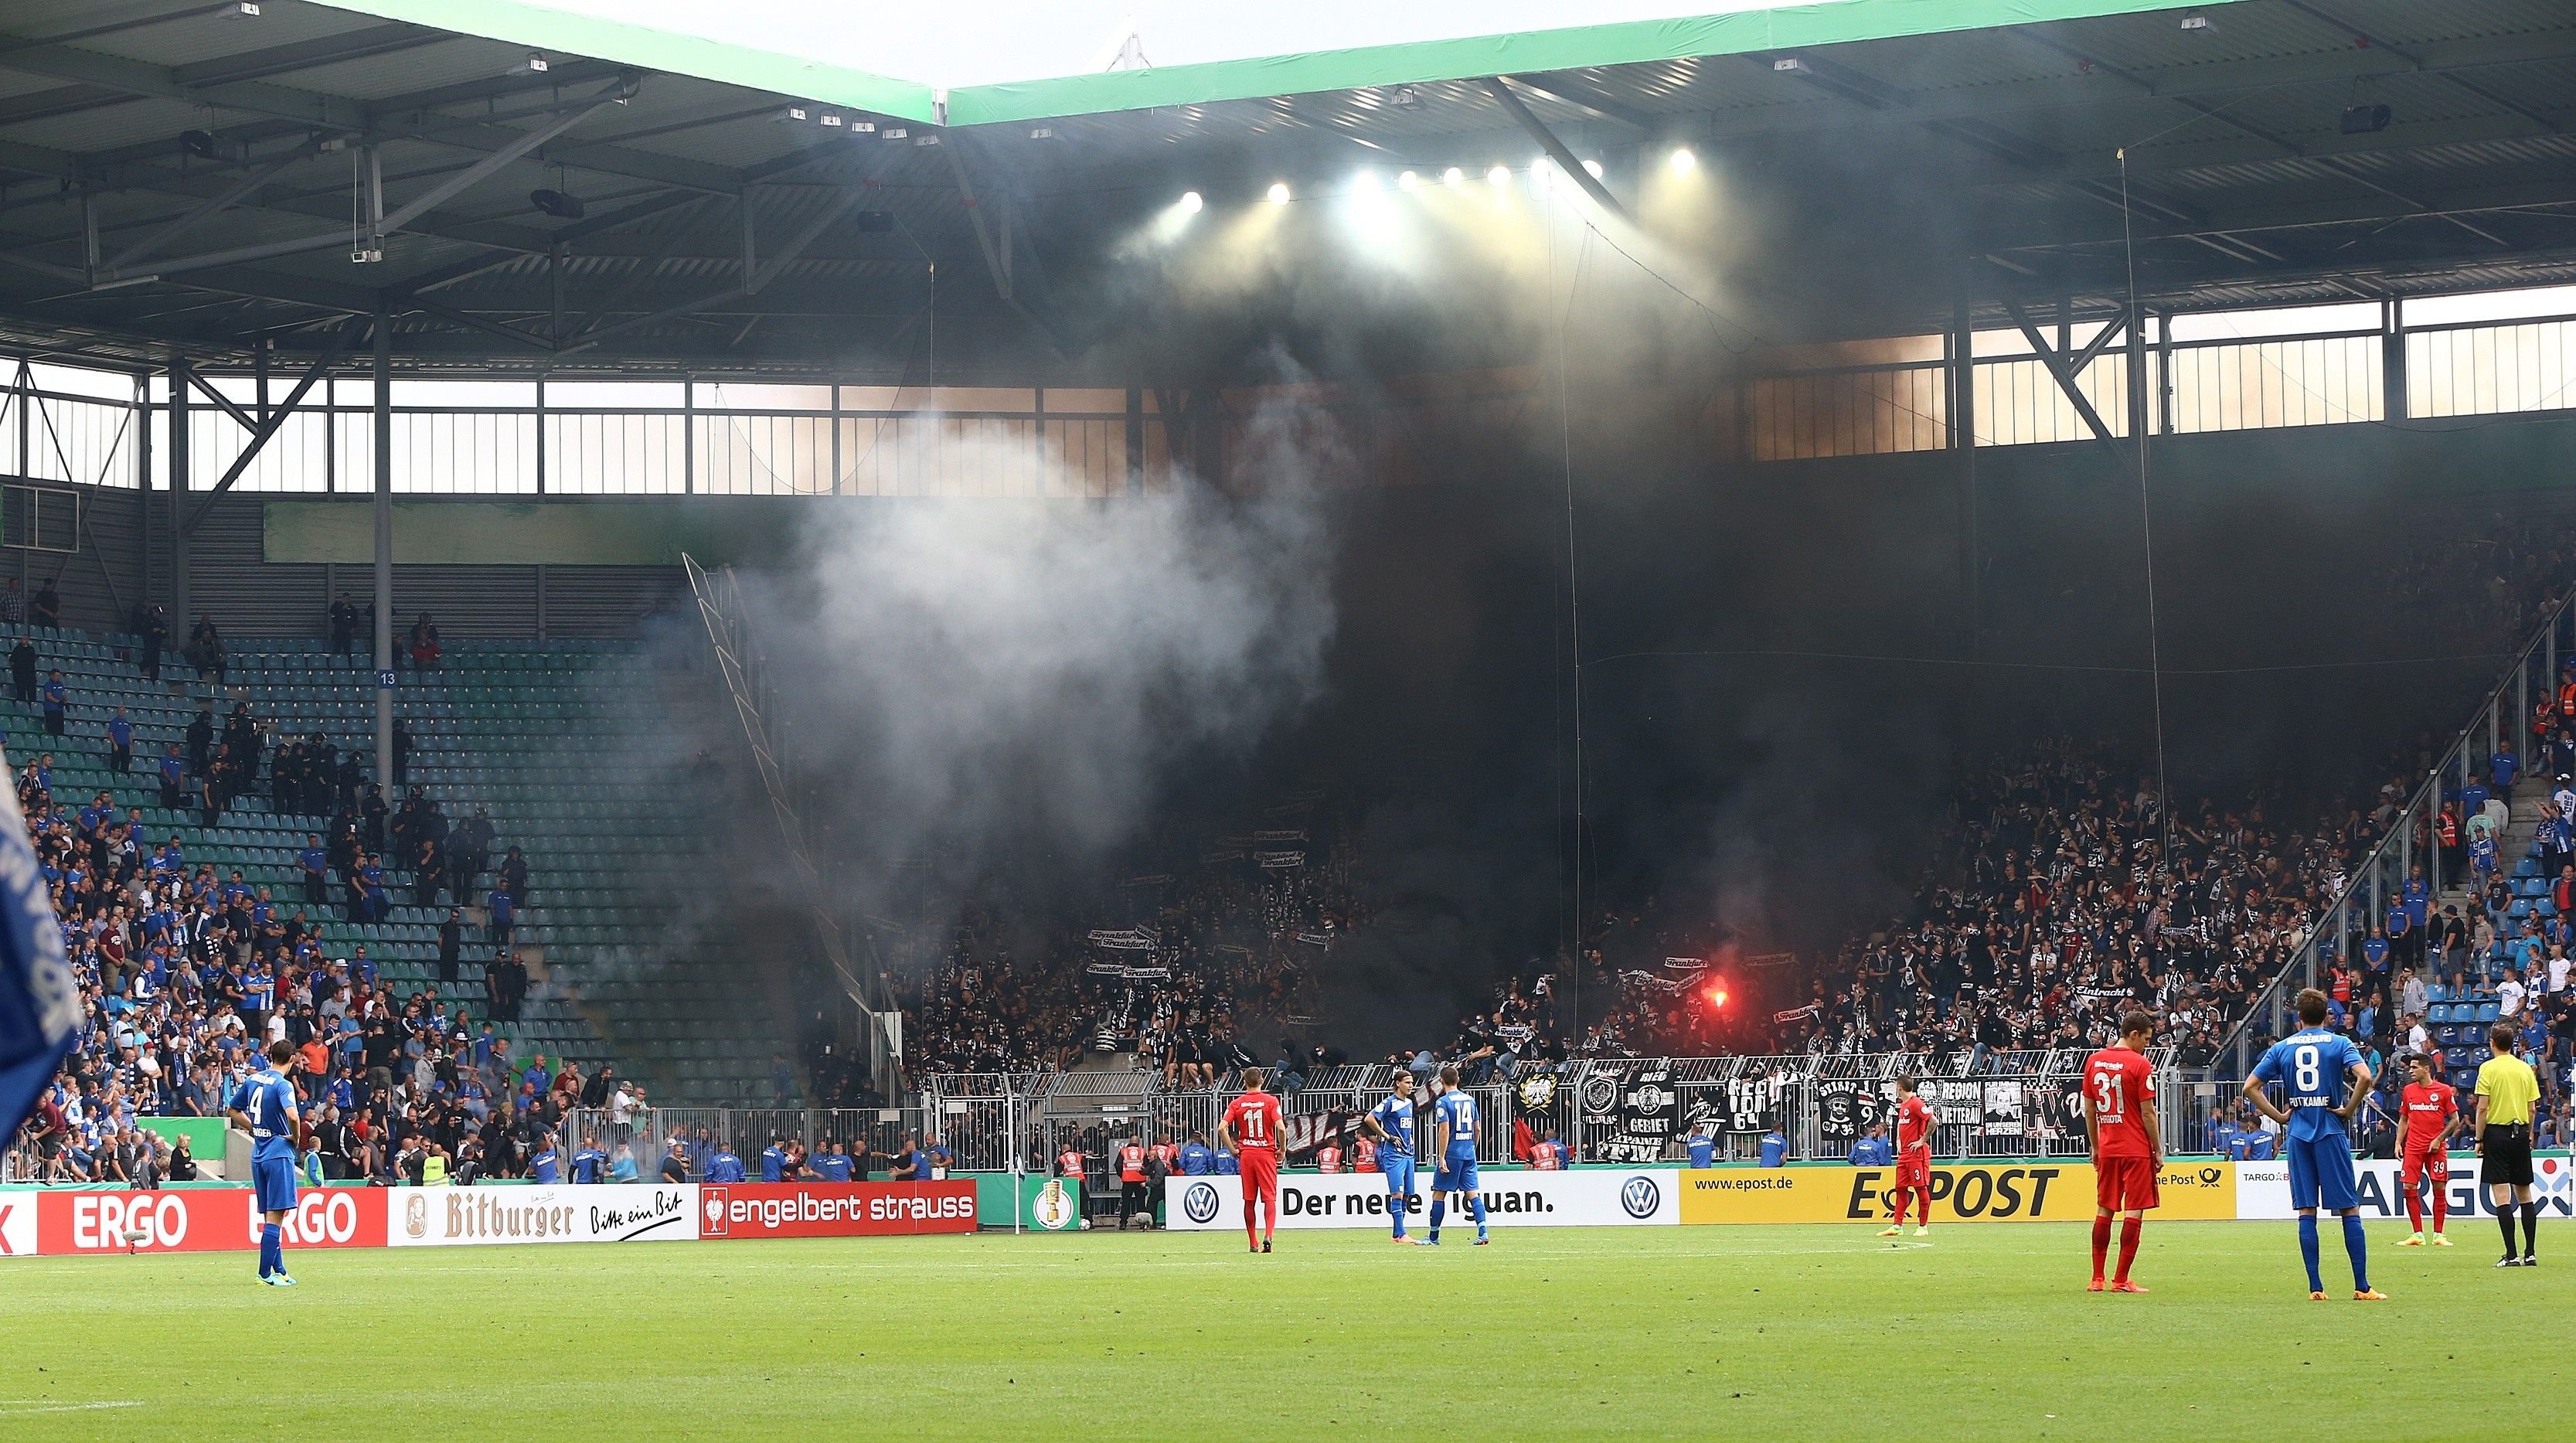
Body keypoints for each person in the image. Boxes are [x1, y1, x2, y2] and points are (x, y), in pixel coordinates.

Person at [2242, 988, 2384, 1300]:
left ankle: (2316, 1288)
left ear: (2299, 1016)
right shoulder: (2339, 1043)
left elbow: (2250, 1087)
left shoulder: (2282, 1047)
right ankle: (2361, 1286)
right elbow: (2364, 1077)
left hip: (2298, 1134)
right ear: (2326, 1015)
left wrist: (2280, 1116)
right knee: (2349, 1208)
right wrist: (2348, 1109)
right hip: (2330, 1131)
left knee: (2306, 1210)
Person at [2081, 1009, 2163, 1294]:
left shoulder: (2093, 1061)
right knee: (2134, 1211)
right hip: (2136, 1149)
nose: (2147, 1045)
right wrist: (2158, 1149)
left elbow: (2089, 1110)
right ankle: (2120, 1280)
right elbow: (2148, 1112)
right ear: (2133, 1035)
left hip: (2108, 1148)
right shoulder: (2140, 1064)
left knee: (2104, 1209)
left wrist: (2095, 1146)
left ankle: (2096, 1278)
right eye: (2146, 1039)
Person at [225, 1039, 304, 1287]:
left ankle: (278, 1269)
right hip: (279, 1153)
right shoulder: (283, 1085)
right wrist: (296, 1137)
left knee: (271, 1215)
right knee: (276, 1217)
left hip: (258, 1153)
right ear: (291, 1059)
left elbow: (233, 1110)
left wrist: (255, 1128)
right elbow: (292, 1115)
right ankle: (264, 1274)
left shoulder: (253, 1079)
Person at [2473, 1020, 2542, 1267]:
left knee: (2502, 1195)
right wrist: (2529, 1134)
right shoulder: (2525, 1069)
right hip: (2520, 1132)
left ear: (2492, 1042)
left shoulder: (2488, 1069)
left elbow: (2482, 1108)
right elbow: (2532, 1109)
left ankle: (2511, 1255)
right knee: (2524, 1194)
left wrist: (2479, 1139)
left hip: (2497, 1134)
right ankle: (2531, 1253)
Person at [2394, 1052, 2460, 1247]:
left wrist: (2439, 1139)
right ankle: (2417, 1234)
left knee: (2439, 1188)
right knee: (2408, 1187)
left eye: (2414, 1067)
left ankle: (2439, 1234)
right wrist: (2399, 1142)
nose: (2410, 1070)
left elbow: (2455, 1120)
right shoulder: (2408, 1091)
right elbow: (2404, 1118)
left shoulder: (2444, 1091)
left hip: (2436, 1148)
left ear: (2426, 1069)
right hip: (2413, 1147)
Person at [1219, 1066, 1285, 1254]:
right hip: (1266, 1154)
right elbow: (1280, 1128)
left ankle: (1253, 1242)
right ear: (1262, 1081)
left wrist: (1233, 1150)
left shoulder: (1236, 1103)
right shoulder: (1271, 1101)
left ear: (1244, 1082)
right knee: (1269, 1198)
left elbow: (1222, 1128)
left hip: (1246, 1155)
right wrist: (1282, 1149)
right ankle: (1269, 1235)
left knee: (1249, 1200)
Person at [1427, 1064, 1486, 1246]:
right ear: (1458, 1080)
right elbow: (1477, 1128)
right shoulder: (1470, 1100)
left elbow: (1444, 1130)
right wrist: (1472, 1148)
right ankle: (1483, 1233)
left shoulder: (1442, 1102)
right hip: (1468, 1153)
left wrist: (1442, 1156)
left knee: (1439, 1194)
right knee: (1472, 1193)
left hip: (1452, 1154)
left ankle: (1433, 1238)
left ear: (1441, 1081)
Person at [1359, 1071, 1421, 1244]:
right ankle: (1402, 1234)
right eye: (1407, 1082)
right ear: (1398, 1083)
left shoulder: (1409, 1103)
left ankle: (1397, 1234)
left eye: (1412, 1082)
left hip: (1408, 1153)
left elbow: (1404, 1126)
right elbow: (1369, 1118)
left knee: (1408, 1194)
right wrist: (1387, 1136)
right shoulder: (1389, 1102)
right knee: (1398, 1194)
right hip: (1394, 1154)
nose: (1411, 1085)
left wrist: (1409, 1138)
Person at [1880, 1074, 1935, 1239]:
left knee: (1920, 1188)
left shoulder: (1916, 1103)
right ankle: (1897, 1225)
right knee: (1901, 1189)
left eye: (1896, 1086)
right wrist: (1898, 1138)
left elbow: (1933, 1121)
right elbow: (1903, 1126)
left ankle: (1923, 1226)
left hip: (1917, 1154)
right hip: (1904, 1155)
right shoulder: (1903, 1105)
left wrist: (1921, 1141)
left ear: (1899, 1087)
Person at [1116, 1134, 1150, 1229]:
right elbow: (1147, 1166)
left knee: (1126, 1202)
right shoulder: (1143, 1151)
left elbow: (1118, 1165)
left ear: (1130, 1142)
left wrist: (1122, 1175)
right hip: (1140, 1180)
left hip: (1127, 1180)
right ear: (1138, 1142)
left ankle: (1123, 1222)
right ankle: (1142, 1223)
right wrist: (1144, 1173)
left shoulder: (1124, 1151)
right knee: (1141, 1202)